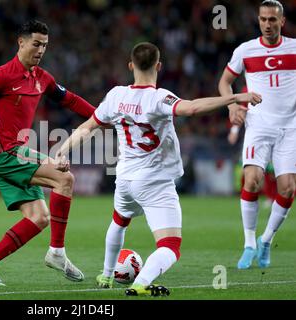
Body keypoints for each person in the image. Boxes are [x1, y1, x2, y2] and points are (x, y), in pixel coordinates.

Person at [54, 42, 261, 296]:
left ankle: (106, 276)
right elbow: (193, 107)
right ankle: (141, 283)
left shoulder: (116, 95)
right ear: (158, 66)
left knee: (119, 221)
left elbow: (87, 127)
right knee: (170, 245)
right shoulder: (159, 98)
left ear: (131, 65)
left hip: (125, 179)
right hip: (154, 182)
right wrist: (234, 97)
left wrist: (63, 150)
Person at [0, 20, 96, 286]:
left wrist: (102, 115)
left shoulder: (42, 78)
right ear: (21, 42)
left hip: (15, 154)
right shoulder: (2, 75)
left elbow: (71, 100)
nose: (41, 50)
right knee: (65, 179)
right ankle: (57, 253)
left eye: (45, 45)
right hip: (7, 153)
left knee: (39, 217)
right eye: (36, 44)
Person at [218, 0, 296, 270]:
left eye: (273, 20)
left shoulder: (294, 48)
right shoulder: (246, 50)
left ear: (282, 22)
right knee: (251, 180)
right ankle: (249, 242)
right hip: (259, 125)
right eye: (263, 19)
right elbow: (225, 82)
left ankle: (266, 239)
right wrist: (231, 106)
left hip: (291, 127)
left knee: (288, 188)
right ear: (258, 20)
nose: (267, 24)